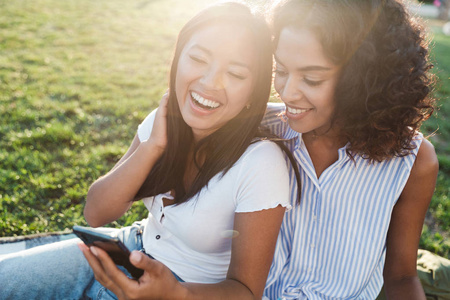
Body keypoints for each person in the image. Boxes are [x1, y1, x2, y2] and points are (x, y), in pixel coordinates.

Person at [0, 3, 294, 299]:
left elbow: (246, 292)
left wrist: (175, 293)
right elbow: (97, 213)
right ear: (178, 58)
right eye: (198, 58)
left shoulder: (260, 163)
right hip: (126, 251)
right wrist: (152, 147)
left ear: (252, 92)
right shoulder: (162, 123)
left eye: (235, 73)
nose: (209, 82)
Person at [261, 0, 439, 299]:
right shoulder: (256, 128)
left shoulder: (413, 162)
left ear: (366, 80)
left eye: (312, 78)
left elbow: (401, 277)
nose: (288, 91)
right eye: (281, 69)